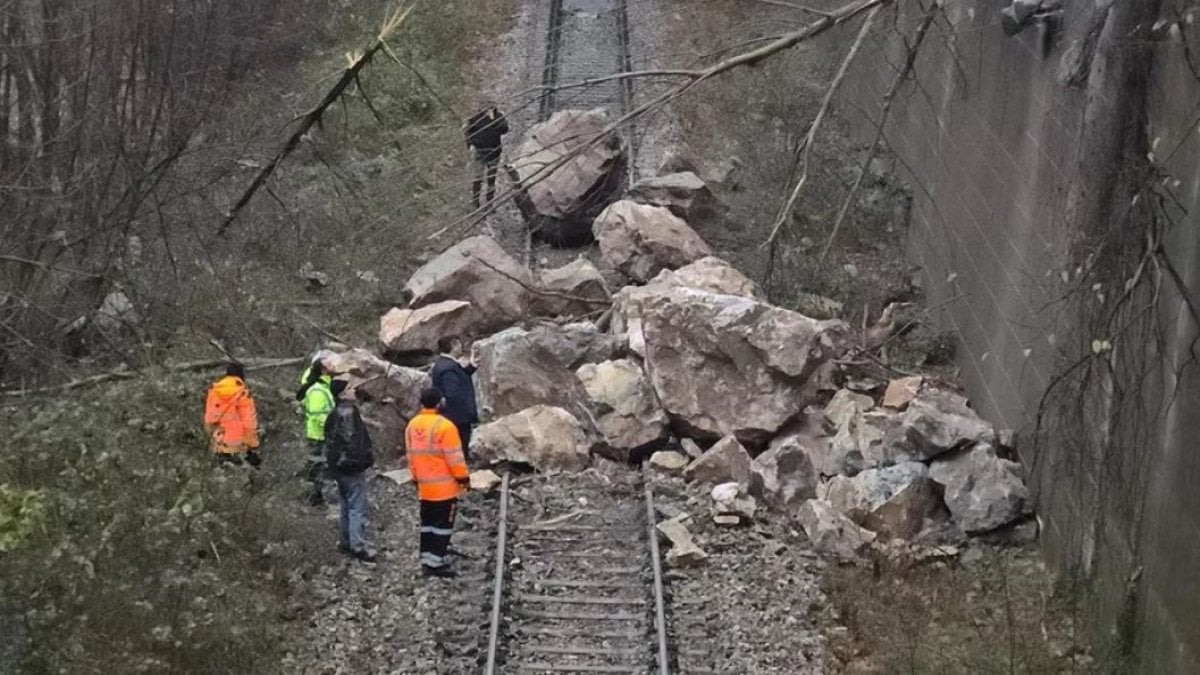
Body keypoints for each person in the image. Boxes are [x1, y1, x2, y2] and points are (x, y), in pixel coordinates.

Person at [404, 387, 470, 578]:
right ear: (440, 402)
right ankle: (436, 562)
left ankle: (426, 557)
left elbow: (411, 456)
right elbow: (454, 458)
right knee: (442, 526)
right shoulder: (445, 426)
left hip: (424, 487)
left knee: (427, 524)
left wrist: (415, 478)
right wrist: (464, 480)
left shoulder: (412, 425)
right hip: (444, 489)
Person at [324, 379, 377, 562]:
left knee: (346, 505)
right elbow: (351, 441)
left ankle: (346, 541)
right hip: (350, 467)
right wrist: (361, 461)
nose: (353, 390)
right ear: (341, 394)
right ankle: (358, 545)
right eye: (349, 388)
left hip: (338, 467)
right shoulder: (348, 412)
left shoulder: (333, 413)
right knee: (356, 506)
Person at [429, 335, 479, 462]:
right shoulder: (448, 367)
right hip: (457, 417)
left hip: (452, 415)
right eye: (459, 344)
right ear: (454, 345)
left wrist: (471, 367)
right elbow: (452, 392)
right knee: (460, 449)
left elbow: (458, 380)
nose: (461, 347)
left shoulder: (444, 364)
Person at [204, 363, 261, 466]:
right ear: (241, 375)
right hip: (238, 444)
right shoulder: (243, 394)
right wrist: (253, 444)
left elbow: (209, 419)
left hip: (219, 442)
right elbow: (249, 423)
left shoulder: (214, 391)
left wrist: (212, 439)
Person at [298, 360, 336, 506]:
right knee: (317, 467)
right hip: (318, 435)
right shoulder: (318, 390)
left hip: (319, 434)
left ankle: (317, 497)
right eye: (330, 365)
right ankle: (314, 498)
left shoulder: (322, 387)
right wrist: (332, 426)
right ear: (323, 371)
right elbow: (318, 414)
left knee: (318, 466)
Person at [463, 103, 509, 208]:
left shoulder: (498, 117)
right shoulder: (476, 118)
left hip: (494, 152)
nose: (487, 110)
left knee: (491, 179)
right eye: (485, 107)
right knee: (477, 178)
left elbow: (505, 129)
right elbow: (466, 130)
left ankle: (489, 204)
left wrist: (494, 120)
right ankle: (475, 203)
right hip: (479, 152)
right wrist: (470, 144)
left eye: (489, 107)